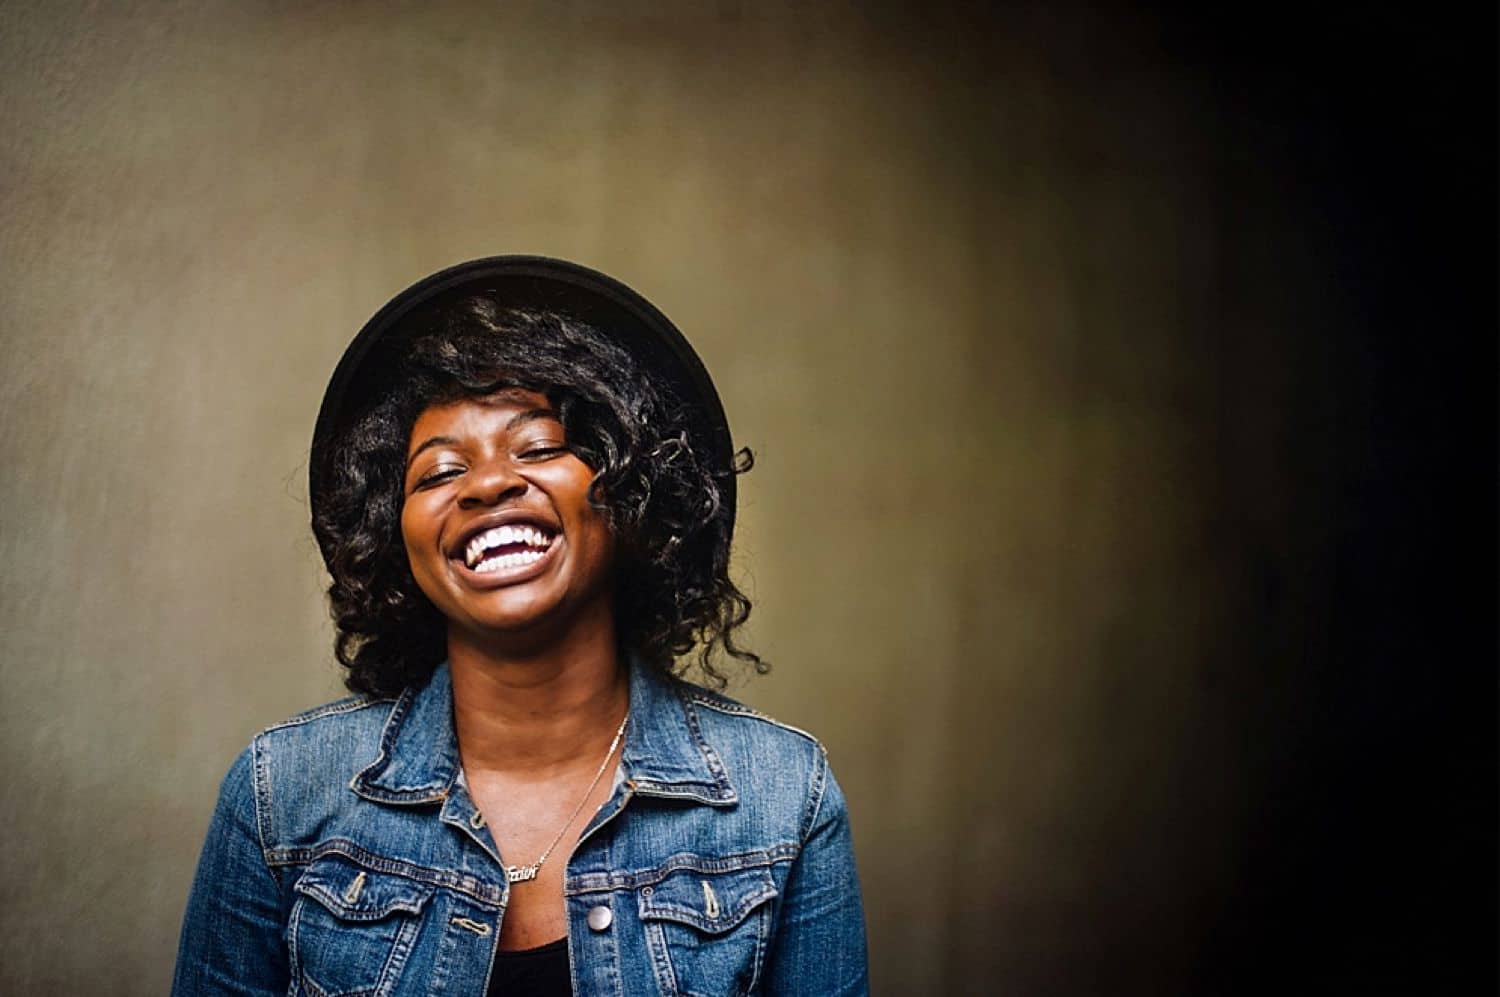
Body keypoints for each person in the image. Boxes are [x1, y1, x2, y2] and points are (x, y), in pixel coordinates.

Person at [171, 257, 869, 996]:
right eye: (438, 473)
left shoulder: (785, 801)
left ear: (629, 492)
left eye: (538, 448)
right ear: (395, 538)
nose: (488, 483)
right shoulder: (280, 795)